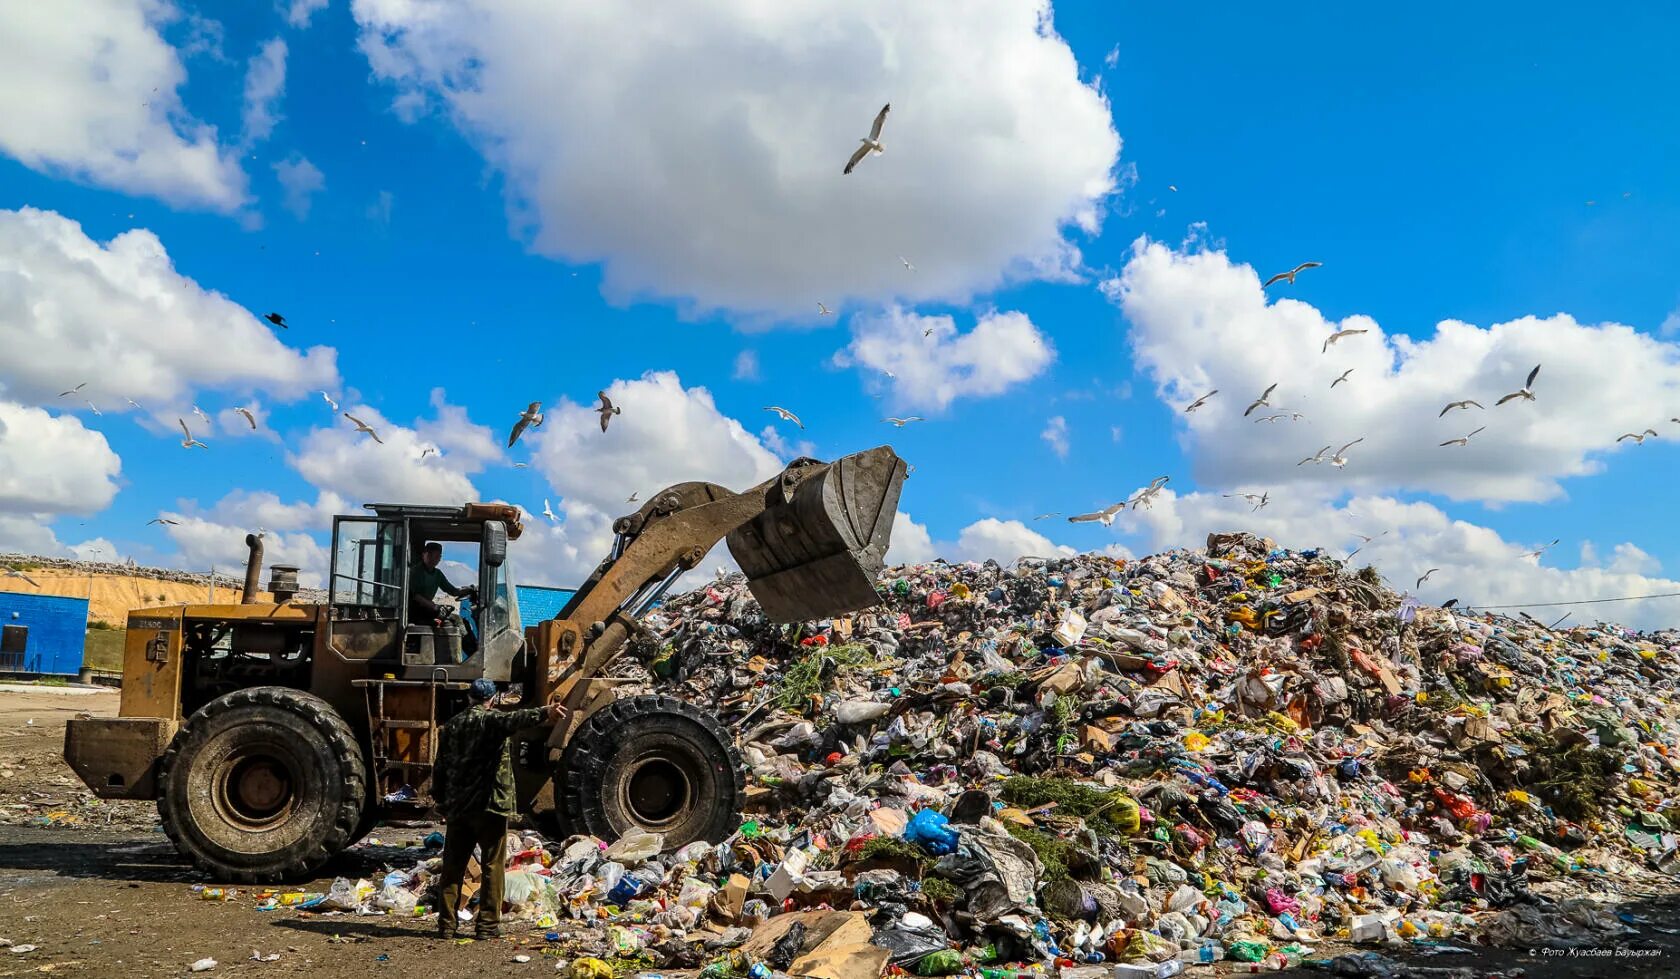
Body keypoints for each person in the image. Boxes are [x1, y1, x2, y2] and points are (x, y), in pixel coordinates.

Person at [431, 678, 561, 939]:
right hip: (489, 806)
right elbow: (515, 719)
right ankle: (487, 925)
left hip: (459, 807)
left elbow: (440, 767)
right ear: (491, 700)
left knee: (453, 866)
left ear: (469, 698)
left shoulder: (451, 727)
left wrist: (440, 800)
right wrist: (546, 712)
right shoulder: (490, 721)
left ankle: (447, 925)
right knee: (493, 865)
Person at [410, 542, 478, 655]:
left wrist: (470, 590)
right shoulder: (416, 572)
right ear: (425, 555)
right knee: (456, 620)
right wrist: (435, 606)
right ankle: (473, 655)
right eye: (435, 556)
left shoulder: (437, 574)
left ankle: (475, 652)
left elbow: (453, 591)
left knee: (463, 622)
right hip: (416, 612)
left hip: (428, 610)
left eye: (439, 556)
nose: (437, 559)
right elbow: (415, 596)